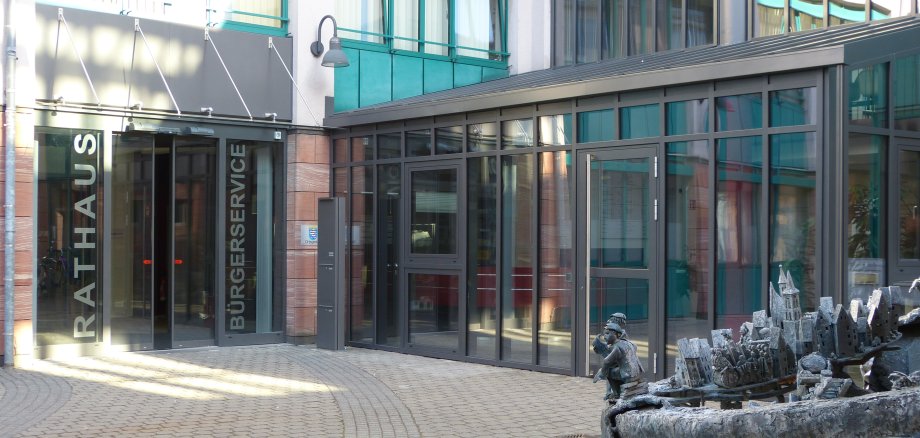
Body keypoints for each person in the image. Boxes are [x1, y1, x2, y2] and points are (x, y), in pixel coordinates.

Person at [593, 322, 644, 400]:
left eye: (607, 334)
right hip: (637, 373)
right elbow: (634, 348)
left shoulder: (617, 347)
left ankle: (617, 394)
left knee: (608, 371)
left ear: (617, 335)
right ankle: (621, 390)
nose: (605, 337)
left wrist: (601, 374)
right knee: (617, 370)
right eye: (604, 335)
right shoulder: (628, 342)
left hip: (629, 375)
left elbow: (606, 361)